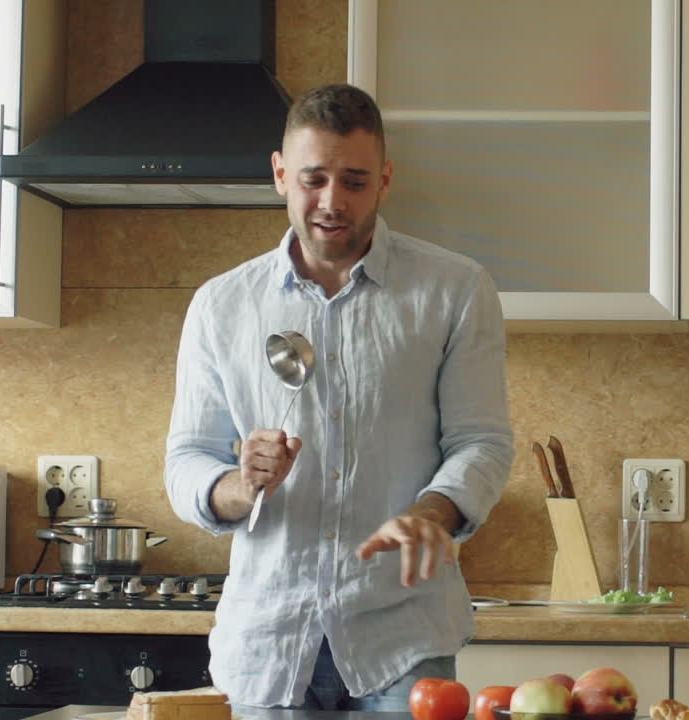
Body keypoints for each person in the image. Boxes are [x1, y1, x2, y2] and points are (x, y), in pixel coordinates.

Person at [164, 83, 514, 711]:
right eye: (313, 178)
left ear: (384, 179)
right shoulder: (222, 305)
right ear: (279, 174)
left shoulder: (455, 290)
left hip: (402, 641)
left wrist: (432, 513)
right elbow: (188, 456)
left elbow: (481, 441)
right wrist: (241, 485)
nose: (332, 201)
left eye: (354, 181)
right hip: (266, 643)